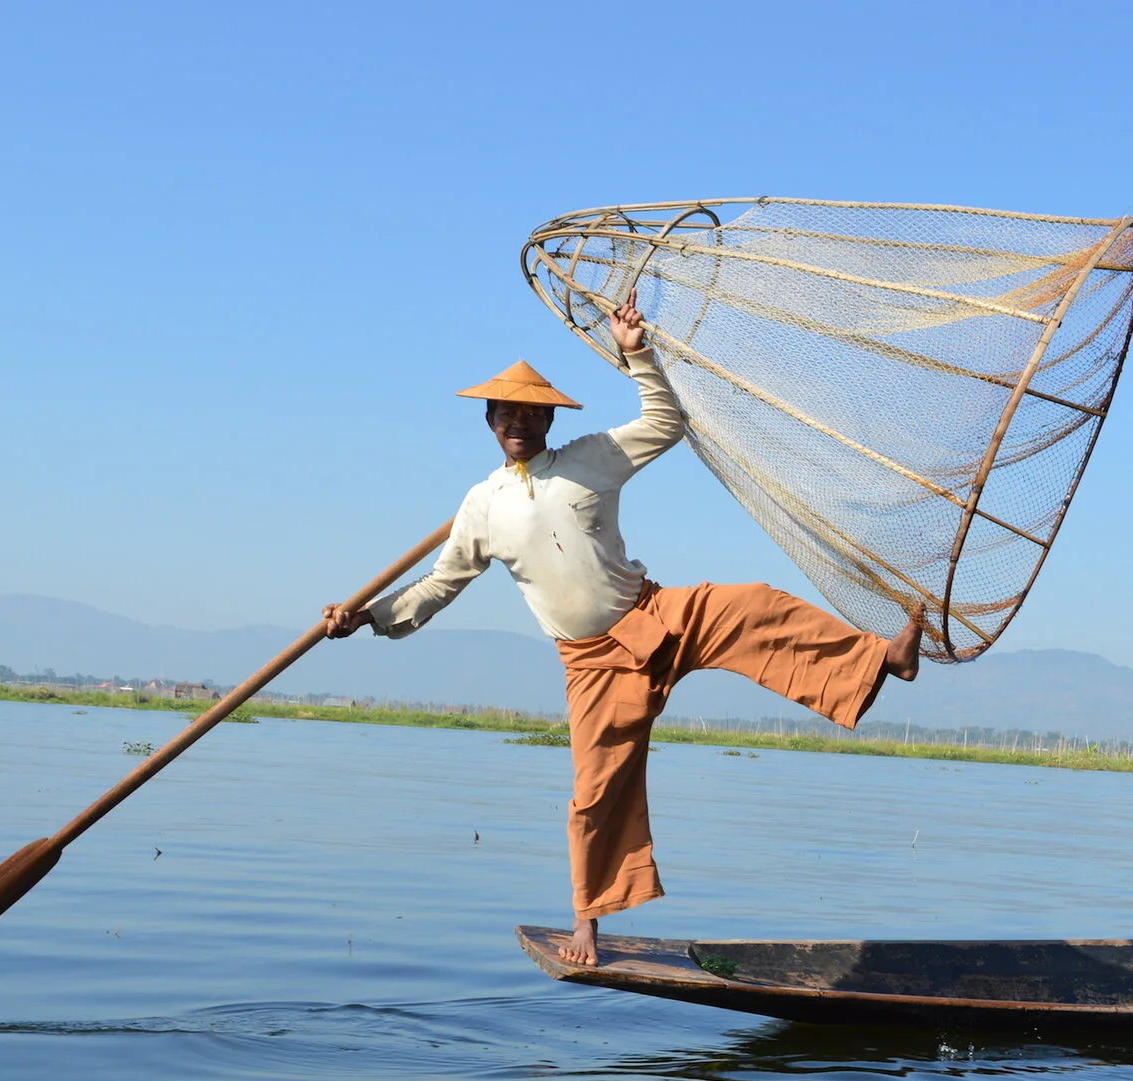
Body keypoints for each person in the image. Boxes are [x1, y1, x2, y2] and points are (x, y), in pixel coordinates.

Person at [323, 302, 925, 966]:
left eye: (529, 414)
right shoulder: (482, 504)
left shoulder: (591, 459)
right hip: (592, 664)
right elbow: (440, 584)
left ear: (548, 422)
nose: (517, 423)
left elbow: (666, 423)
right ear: (490, 423)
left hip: (656, 614)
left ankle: (882, 660)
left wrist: (636, 353)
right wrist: (366, 615)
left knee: (757, 605)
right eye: (505, 414)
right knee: (595, 792)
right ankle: (588, 921)